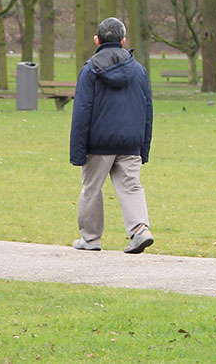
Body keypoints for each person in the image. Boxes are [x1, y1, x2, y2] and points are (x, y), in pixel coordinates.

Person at [69, 17, 154, 254]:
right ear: (124, 41)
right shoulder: (139, 71)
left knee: (92, 188)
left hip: (99, 143)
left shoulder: (89, 70)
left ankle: (91, 238)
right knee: (131, 187)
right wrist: (143, 147)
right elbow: (147, 110)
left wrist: (77, 152)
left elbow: (82, 112)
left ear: (97, 40)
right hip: (131, 141)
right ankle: (140, 230)